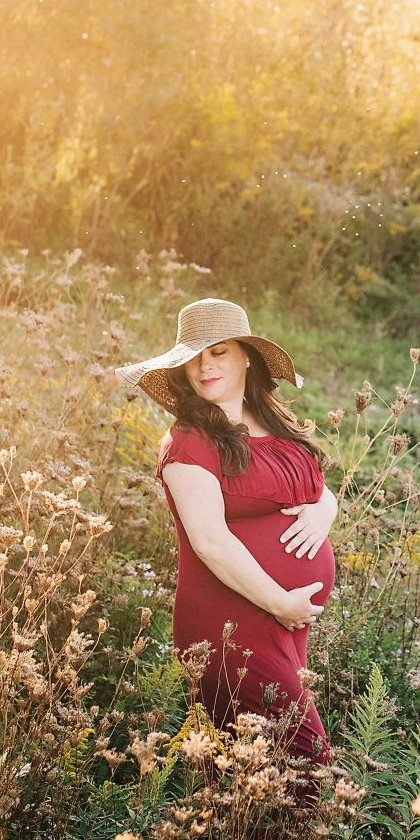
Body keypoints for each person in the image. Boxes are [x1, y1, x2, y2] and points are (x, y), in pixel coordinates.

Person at [116, 298, 338, 768]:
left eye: (218, 352)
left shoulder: (275, 426)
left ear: (245, 357)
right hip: (230, 625)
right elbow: (210, 541)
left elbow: (317, 487)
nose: (205, 366)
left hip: (282, 622)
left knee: (254, 767)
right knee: (305, 761)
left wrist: (324, 511)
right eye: (194, 357)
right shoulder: (189, 442)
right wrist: (282, 602)